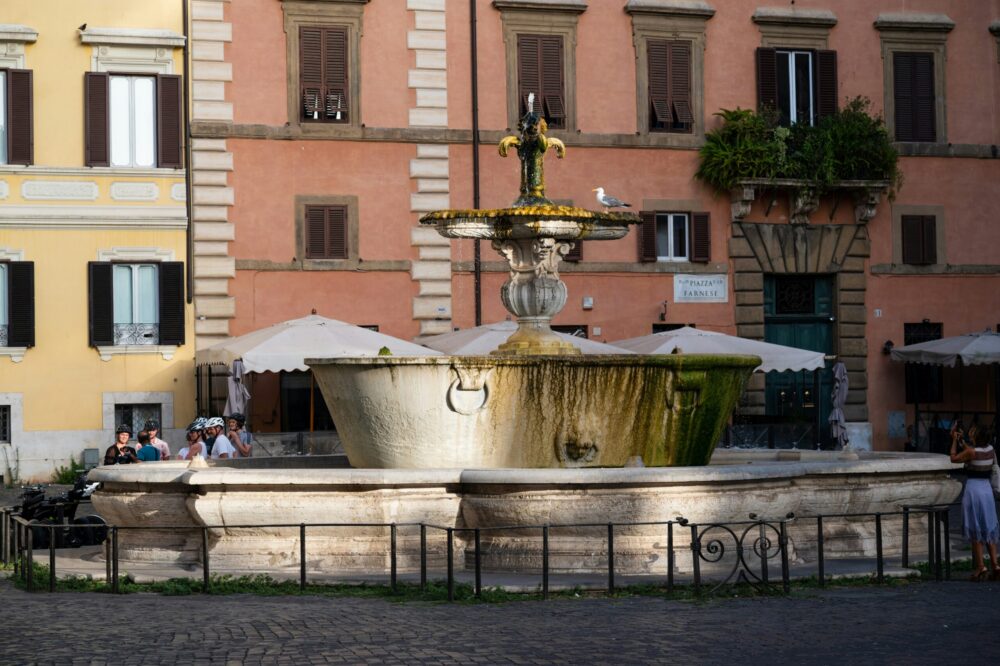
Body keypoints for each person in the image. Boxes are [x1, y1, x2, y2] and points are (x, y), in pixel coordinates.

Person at [950, 423, 1000, 580]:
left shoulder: (971, 451)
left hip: (973, 491)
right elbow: (972, 452)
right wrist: (962, 442)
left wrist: (953, 441)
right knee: (988, 528)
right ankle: (995, 564)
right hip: (987, 491)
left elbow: (954, 458)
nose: (970, 432)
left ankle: (980, 567)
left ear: (977, 436)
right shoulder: (990, 449)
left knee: (975, 530)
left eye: (973, 431)